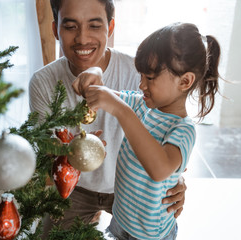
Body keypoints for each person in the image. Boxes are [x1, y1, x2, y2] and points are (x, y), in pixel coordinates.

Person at [29, 0, 187, 236]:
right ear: (56, 30)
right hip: (76, 189)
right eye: (71, 26)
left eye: (94, 25)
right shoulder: (42, 82)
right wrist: (76, 151)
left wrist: (178, 178)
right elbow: (47, 153)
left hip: (136, 187)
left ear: (110, 27)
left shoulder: (139, 74)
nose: (82, 38)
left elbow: (173, 127)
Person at [72, 22, 222, 239]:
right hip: (121, 220)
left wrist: (122, 111)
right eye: (141, 75)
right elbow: (106, 95)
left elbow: (159, 169)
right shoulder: (142, 104)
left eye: (149, 78)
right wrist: (94, 73)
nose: (141, 85)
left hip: (150, 235)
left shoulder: (183, 129)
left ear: (185, 81)